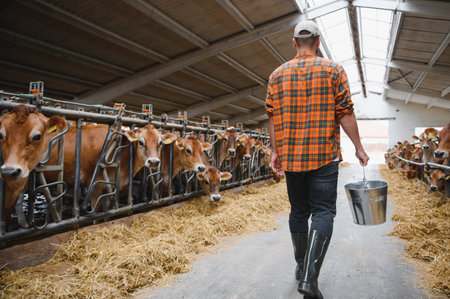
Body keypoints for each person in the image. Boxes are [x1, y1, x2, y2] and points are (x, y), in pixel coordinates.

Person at [265, 20, 369, 298]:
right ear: (318, 41)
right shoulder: (334, 70)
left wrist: (275, 150)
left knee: (299, 212)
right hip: (324, 157)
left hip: (292, 158)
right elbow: (345, 112)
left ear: (294, 42)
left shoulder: (276, 75)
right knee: (323, 212)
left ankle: (301, 269)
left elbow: (272, 117)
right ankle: (310, 278)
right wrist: (358, 147)